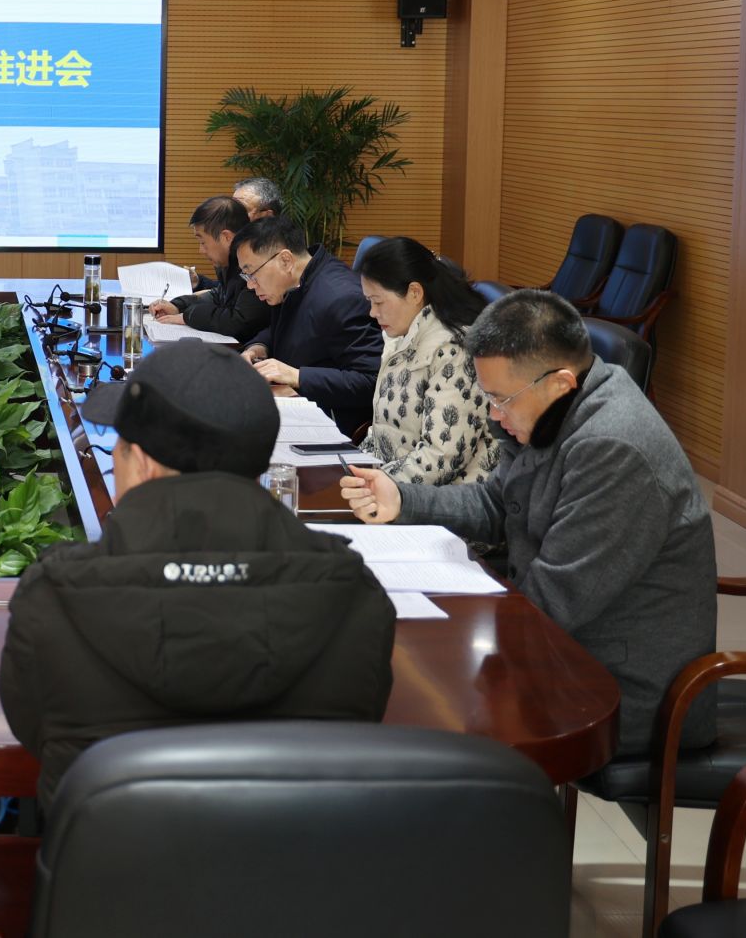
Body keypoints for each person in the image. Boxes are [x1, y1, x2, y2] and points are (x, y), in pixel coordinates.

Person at [0, 342, 395, 813]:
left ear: (142, 463)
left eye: (119, 447)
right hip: (300, 856)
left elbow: (35, 730)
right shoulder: (356, 600)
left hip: (113, 857)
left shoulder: (52, 599)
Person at [339, 289, 716, 754]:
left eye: (501, 399)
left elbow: (554, 603)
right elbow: (497, 504)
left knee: (417, 710)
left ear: (559, 383)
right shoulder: (551, 408)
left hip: (621, 689)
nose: (493, 414)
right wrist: (402, 499)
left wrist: (447, 632)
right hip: (562, 648)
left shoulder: (614, 447)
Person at [355, 237, 498, 487]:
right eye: (370, 302)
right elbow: (383, 431)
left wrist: (373, 485)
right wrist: (353, 469)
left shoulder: (454, 351)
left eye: (378, 301)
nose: (372, 312)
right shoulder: (402, 334)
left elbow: (442, 460)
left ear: (414, 293)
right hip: (397, 485)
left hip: (447, 497)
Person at [235, 216, 384, 436]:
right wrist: (258, 347)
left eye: (252, 273)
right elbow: (285, 330)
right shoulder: (294, 283)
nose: (249, 284)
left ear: (285, 260)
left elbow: (373, 381)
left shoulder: (341, 298)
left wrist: (297, 376)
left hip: (331, 424)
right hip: (297, 406)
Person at [147, 196, 268, 342]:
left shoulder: (254, 265)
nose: (201, 250)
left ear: (226, 237)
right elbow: (219, 296)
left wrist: (188, 316)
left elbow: (239, 322)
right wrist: (178, 305)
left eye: (203, 242)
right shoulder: (228, 263)